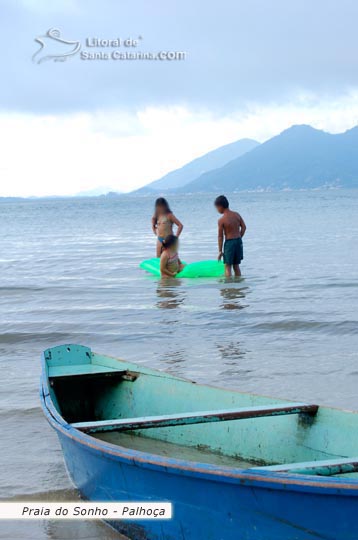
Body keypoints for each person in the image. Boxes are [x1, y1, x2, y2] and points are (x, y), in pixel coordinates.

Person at [214, 195, 246, 277]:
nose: (217, 210)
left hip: (229, 243)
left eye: (217, 208)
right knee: (236, 265)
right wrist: (239, 237)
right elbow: (244, 227)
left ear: (220, 206)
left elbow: (220, 236)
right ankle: (238, 284)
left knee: (227, 266)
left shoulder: (221, 220)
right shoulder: (237, 215)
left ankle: (228, 286)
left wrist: (220, 251)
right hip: (238, 241)